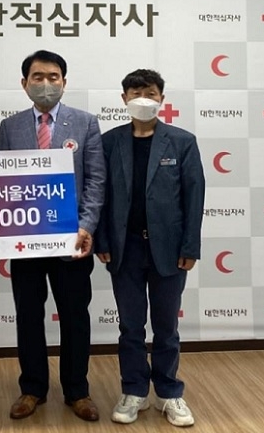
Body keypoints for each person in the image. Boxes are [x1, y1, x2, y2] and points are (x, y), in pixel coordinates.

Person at [0, 50, 106, 422]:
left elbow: (96, 181)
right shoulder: (10, 127)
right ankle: (32, 389)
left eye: (53, 77)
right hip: (26, 241)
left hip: (71, 241)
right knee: (28, 316)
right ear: (24, 83)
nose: (46, 84)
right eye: (38, 77)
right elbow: (2, 183)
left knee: (75, 316)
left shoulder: (86, 123)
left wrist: (86, 226)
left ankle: (77, 390)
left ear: (64, 81)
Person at [95, 69, 205, 427]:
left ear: (162, 98)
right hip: (124, 249)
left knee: (166, 326)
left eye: (151, 93)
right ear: (124, 98)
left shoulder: (182, 141)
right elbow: (100, 195)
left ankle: (169, 392)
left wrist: (190, 245)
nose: (144, 99)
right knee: (130, 326)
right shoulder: (109, 142)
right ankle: (134, 391)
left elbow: (194, 197)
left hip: (169, 250)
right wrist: (102, 240)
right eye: (136, 93)